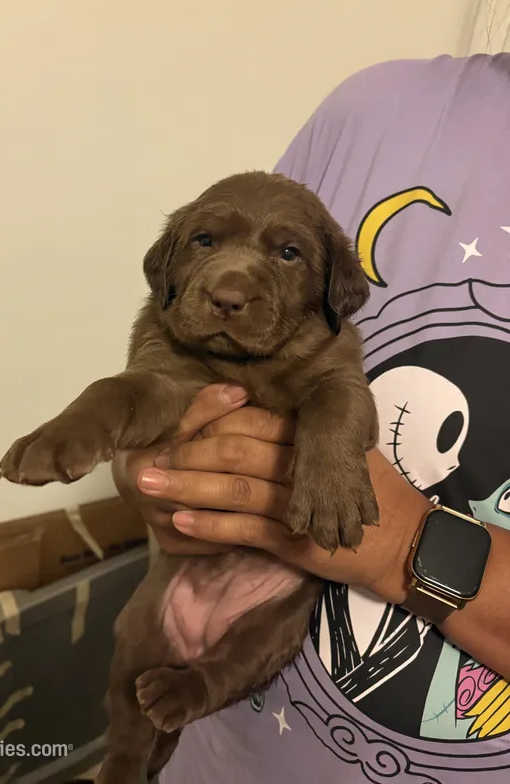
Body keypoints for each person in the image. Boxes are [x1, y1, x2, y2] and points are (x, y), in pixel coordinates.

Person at [113, 53, 510, 783]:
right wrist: (155, 460)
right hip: (213, 753)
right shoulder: (373, 106)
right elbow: (211, 324)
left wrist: (403, 546)